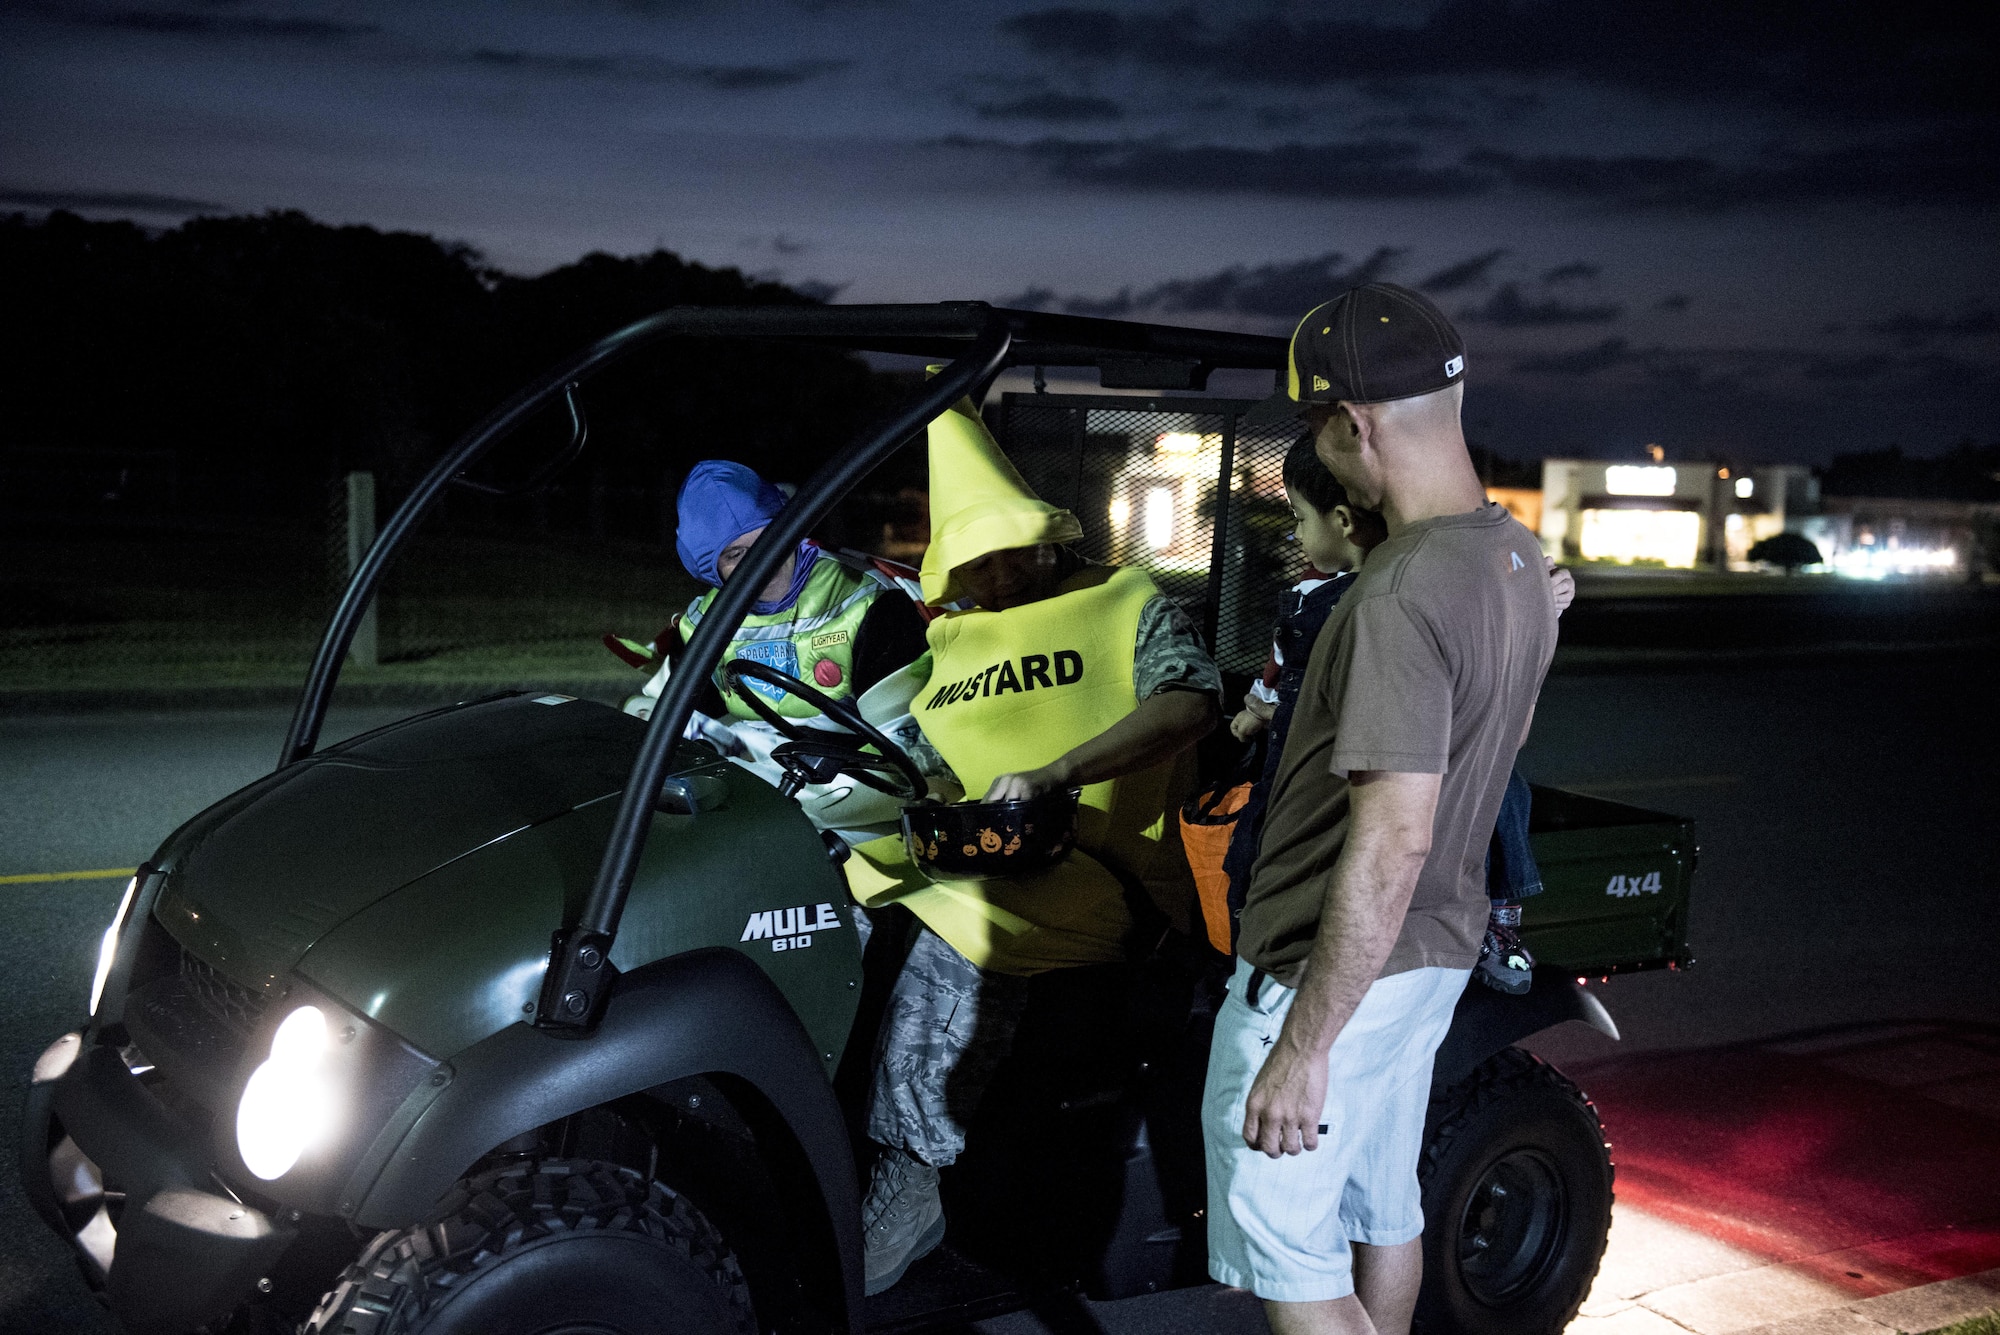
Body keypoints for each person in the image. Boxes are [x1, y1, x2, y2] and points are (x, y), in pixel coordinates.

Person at [1203, 282, 1558, 1335]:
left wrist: (1301, 1046)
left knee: (1287, 1245)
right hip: (1432, 958)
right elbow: (1499, 749)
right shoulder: (1515, 560)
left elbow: (1393, 836)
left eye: (1315, 423)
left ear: (1350, 423)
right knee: (1378, 1204)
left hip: (1337, 969)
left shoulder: (1396, 595)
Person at [841, 386, 1221, 1295]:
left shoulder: (1124, 602)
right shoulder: (954, 643)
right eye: (975, 564)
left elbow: (1189, 700)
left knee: (957, 943)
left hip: (1095, 870)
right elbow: (926, 757)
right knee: (823, 917)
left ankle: (912, 1176)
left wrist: (1058, 771)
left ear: (1049, 535)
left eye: (1011, 553)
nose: (999, 577)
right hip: (981, 855)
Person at [1224, 436, 1576, 996]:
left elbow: (1394, 832)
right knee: (1499, 782)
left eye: (1298, 517)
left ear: (1341, 520)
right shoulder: (1420, 590)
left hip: (1316, 908)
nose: (1294, 533)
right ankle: (1500, 914)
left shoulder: (1357, 606)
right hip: (1422, 924)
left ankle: (1502, 913)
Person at [625, 460, 929, 724]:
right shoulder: (703, 625)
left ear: (788, 532)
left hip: (862, 774)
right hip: (766, 773)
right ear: (709, 570)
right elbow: (676, 718)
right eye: (736, 554)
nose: (762, 564)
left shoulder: (875, 606)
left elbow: (903, 739)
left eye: (769, 542)